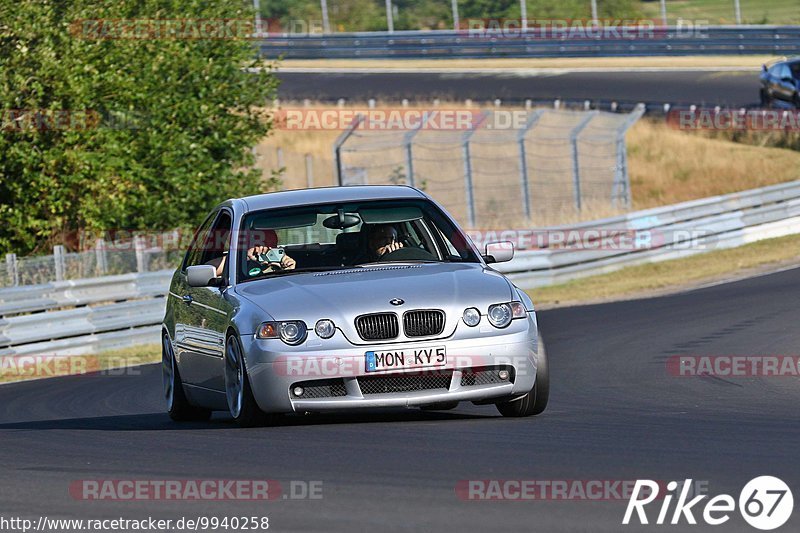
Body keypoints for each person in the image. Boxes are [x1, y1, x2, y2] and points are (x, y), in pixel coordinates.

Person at [206, 229, 296, 277]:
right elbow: (208, 268)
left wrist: (288, 269)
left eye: (270, 249)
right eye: (258, 247)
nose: (263, 252)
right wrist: (244, 257)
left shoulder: (280, 263)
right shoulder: (239, 264)